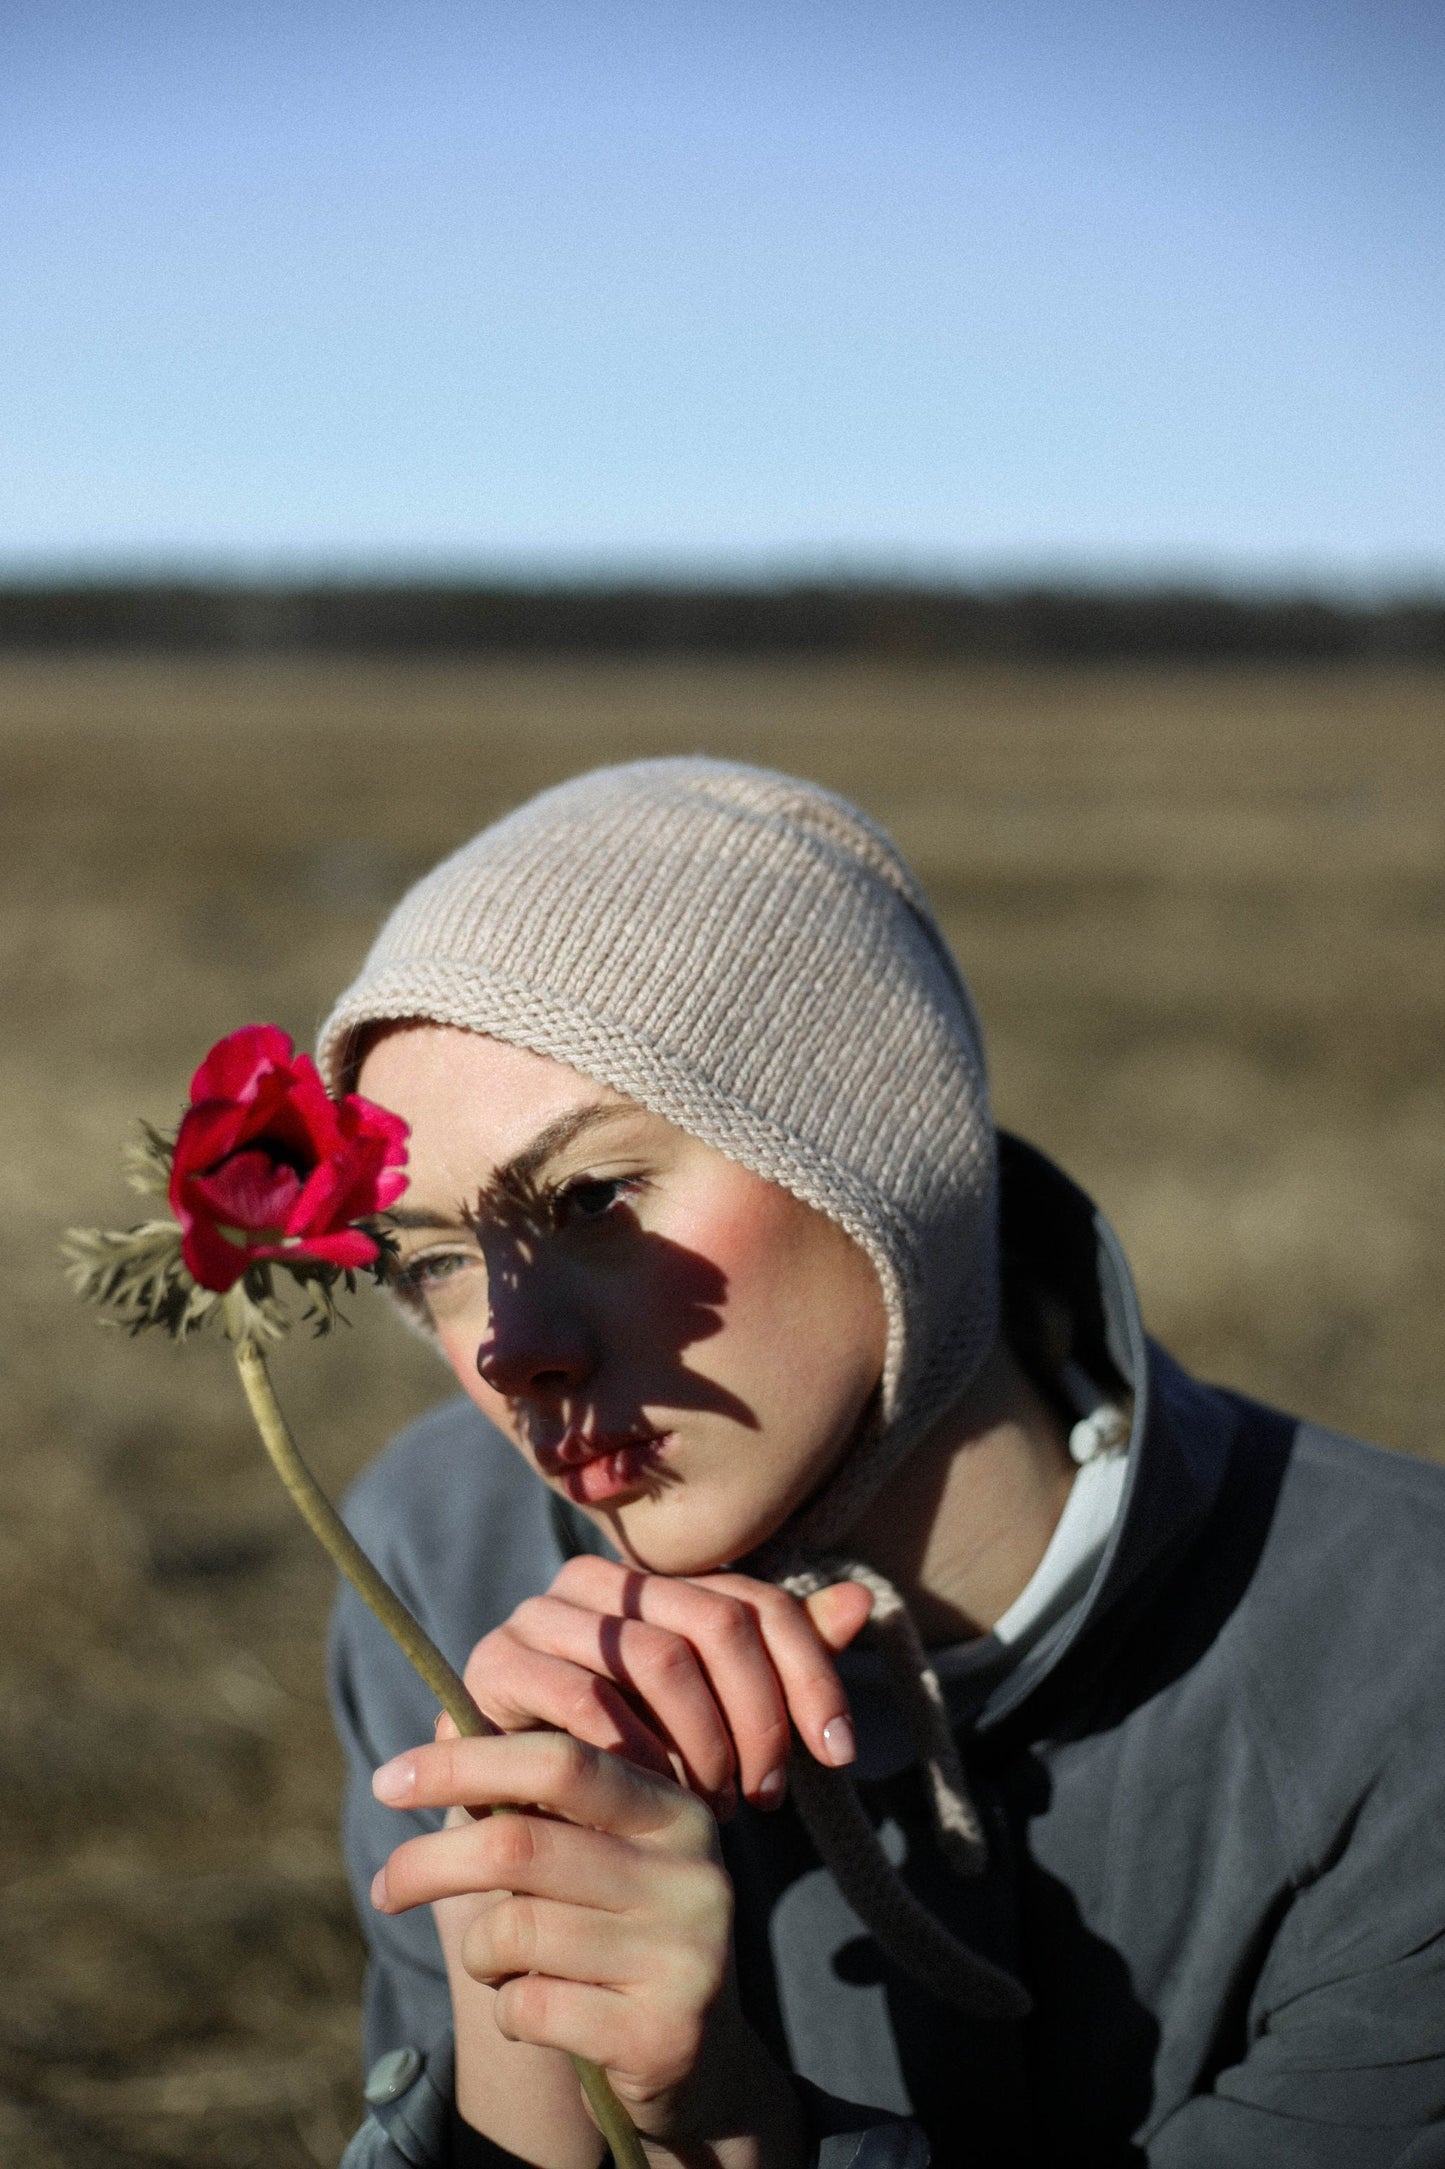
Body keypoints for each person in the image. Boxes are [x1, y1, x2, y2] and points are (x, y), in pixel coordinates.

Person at [319, 759, 1445, 2169]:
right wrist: (532, 2054)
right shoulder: (442, 1554)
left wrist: (738, 2134)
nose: (510, 1349)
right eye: (433, 1258)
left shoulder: (1402, 1672)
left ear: (874, 1150)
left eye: (594, 1195)